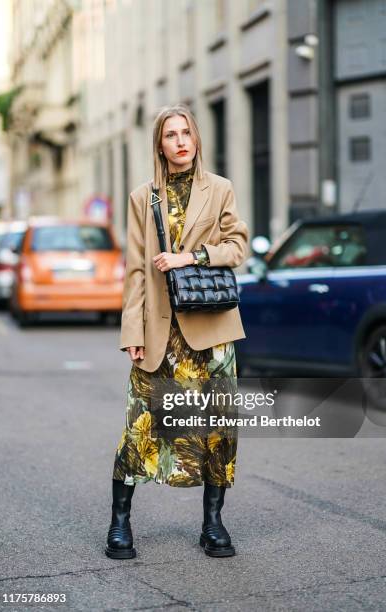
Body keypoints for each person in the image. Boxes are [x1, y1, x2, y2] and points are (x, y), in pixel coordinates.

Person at [105, 103, 249, 559]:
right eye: (171, 135)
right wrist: (132, 328)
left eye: (187, 132)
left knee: (216, 430)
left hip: (211, 331)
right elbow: (134, 271)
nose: (181, 141)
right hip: (159, 333)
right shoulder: (142, 197)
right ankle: (120, 523)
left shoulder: (221, 189)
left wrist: (193, 257)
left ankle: (213, 524)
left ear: (197, 139)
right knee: (140, 427)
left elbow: (238, 245)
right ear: (160, 144)